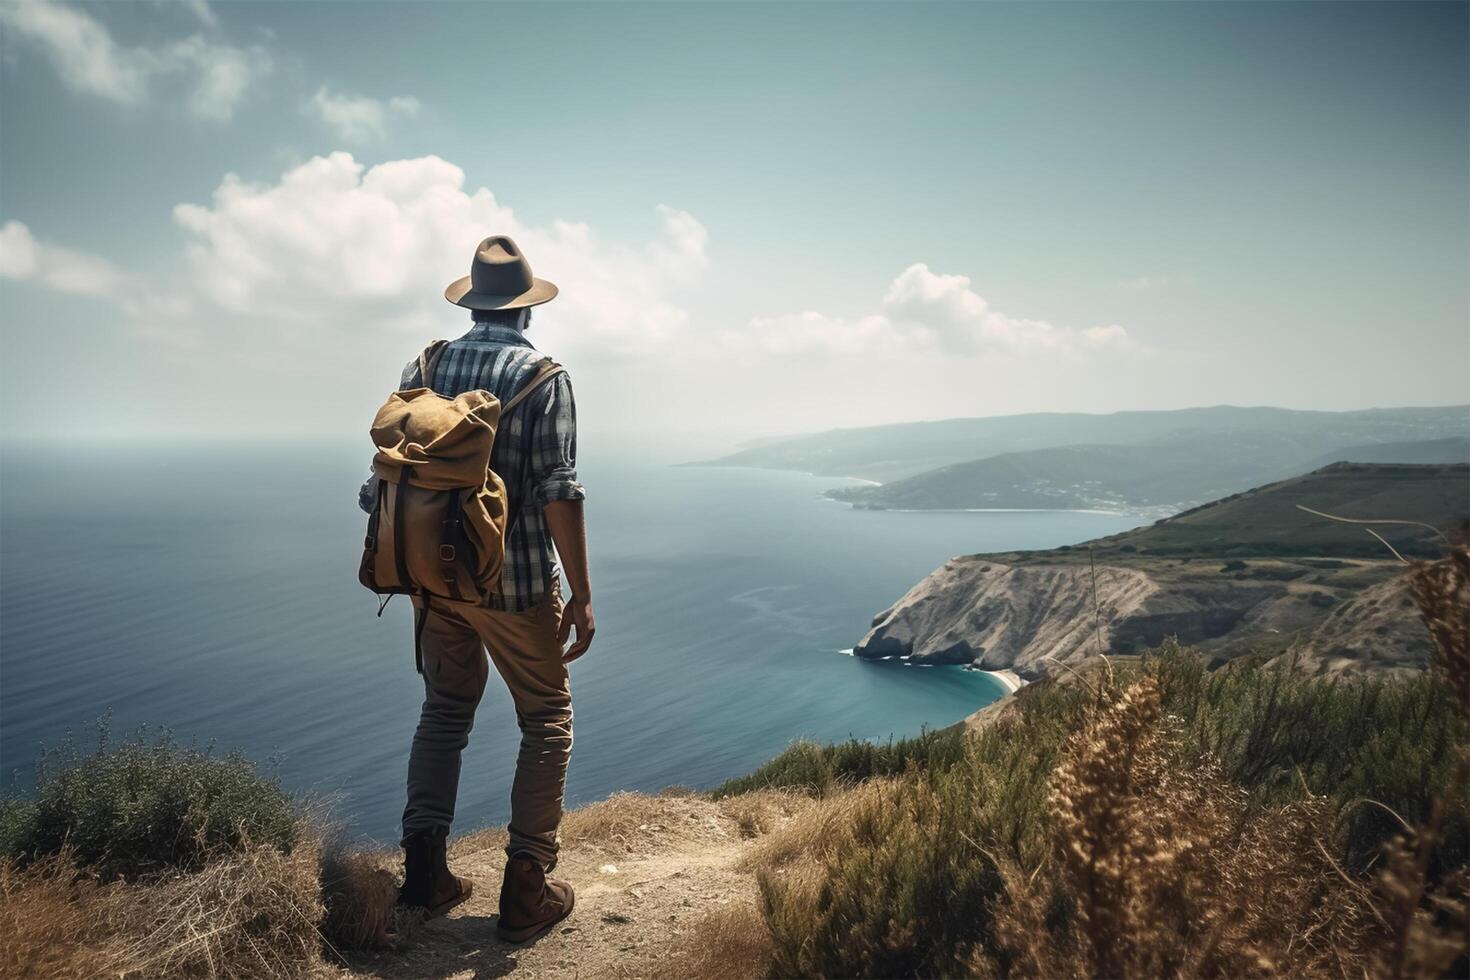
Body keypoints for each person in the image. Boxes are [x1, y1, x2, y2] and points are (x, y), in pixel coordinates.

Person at [360, 235, 594, 943]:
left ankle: (426, 875)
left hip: (434, 581)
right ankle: (526, 887)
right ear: (525, 310)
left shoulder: (425, 364)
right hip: (515, 584)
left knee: (444, 713)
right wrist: (580, 594)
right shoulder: (541, 376)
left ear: (473, 302)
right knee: (546, 717)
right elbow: (558, 490)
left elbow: (386, 479)